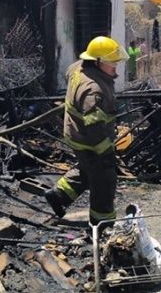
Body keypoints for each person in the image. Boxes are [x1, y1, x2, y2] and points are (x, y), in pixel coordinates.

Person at [46, 36, 126, 229]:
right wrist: (106, 152)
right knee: (104, 177)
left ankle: (59, 195)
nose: (115, 65)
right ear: (97, 62)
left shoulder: (78, 67)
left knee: (88, 168)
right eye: (111, 62)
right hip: (88, 139)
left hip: (74, 132)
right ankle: (102, 223)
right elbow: (94, 127)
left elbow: (68, 73)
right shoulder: (93, 90)